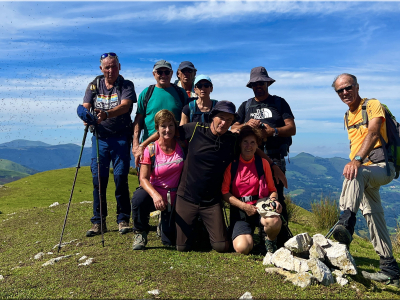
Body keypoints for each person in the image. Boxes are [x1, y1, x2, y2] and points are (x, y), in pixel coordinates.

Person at [138, 101, 287, 252]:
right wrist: (143, 146)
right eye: (221, 118)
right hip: (186, 197)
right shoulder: (195, 129)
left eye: (229, 120)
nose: (224, 123)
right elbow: (166, 131)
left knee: (221, 246)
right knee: (182, 247)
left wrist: (273, 166)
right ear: (213, 117)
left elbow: (251, 146)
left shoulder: (231, 140)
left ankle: (206, 226)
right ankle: (178, 223)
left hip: (211, 201)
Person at [331, 73, 399, 287]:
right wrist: (356, 161)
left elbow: (373, 131)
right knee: (373, 215)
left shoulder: (372, 105)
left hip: (382, 167)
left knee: (354, 172)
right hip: (364, 174)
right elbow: (355, 144)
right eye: (339, 90)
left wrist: (357, 161)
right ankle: (390, 269)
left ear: (357, 86)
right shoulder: (347, 115)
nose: (344, 93)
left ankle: (346, 223)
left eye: (348, 87)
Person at [231, 66, 295, 249]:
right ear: (251, 86)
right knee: (251, 195)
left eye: (261, 82)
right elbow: (233, 129)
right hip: (250, 159)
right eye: (255, 83)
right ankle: (257, 233)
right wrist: (246, 125)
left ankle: (277, 237)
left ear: (267, 83)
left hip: (275, 157)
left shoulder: (279, 103)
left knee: (276, 198)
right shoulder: (246, 105)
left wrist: (273, 131)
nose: (258, 86)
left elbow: (292, 128)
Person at [82, 52, 136, 236]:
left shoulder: (126, 85)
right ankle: (98, 222)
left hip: (121, 137)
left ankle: (123, 219)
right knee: (99, 180)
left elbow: (126, 106)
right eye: (107, 67)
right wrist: (85, 116)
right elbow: (85, 105)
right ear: (101, 69)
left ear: (119, 66)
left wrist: (106, 115)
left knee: (121, 177)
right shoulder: (94, 85)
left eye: (114, 66)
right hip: (100, 138)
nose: (111, 70)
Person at [222, 125, 282, 254]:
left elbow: (272, 189)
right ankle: (245, 235)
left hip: (260, 205)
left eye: (252, 142)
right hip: (240, 210)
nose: (249, 146)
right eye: (245, 142)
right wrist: (244, 207)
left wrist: (273, 200)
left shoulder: (263, 163)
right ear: (240, 144)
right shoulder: (232, 165)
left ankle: (269, 243)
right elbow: (225, 193)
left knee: (274, 221)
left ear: (257, 146)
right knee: (243, 248)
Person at [131, 110, 184, 250]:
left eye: (171, 125)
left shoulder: (181, 145)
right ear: (157, 129)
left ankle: (164, 223)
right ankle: (140, 232)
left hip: (175, 197)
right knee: (138, 198)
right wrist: (155, 195)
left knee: (170, 242)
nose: (168, 130)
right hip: (155, 194)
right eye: (163, 126)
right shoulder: (151, 149)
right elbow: (143, 179)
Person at [132, 60, 188, 164]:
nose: (163, 75)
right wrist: (136, 144)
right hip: (149, 147)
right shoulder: (146, 93)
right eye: (159, 72)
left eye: (166, 72)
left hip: (174, 149)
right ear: (154, 74)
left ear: (171, 74)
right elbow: (138, 119)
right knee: (146, 178)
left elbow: (186, 119)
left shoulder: (180, 93)